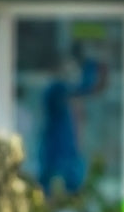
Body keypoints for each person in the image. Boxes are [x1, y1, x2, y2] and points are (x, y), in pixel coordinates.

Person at [37, 45, 107, 195]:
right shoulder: (56, 89)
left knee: (68, 184)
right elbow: (84, 87)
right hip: (57, 152)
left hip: (63, 151)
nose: (71, 72)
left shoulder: (58, 90)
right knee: (56, 185)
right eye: (69, 67)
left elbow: (89, 89)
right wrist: (92, 62)